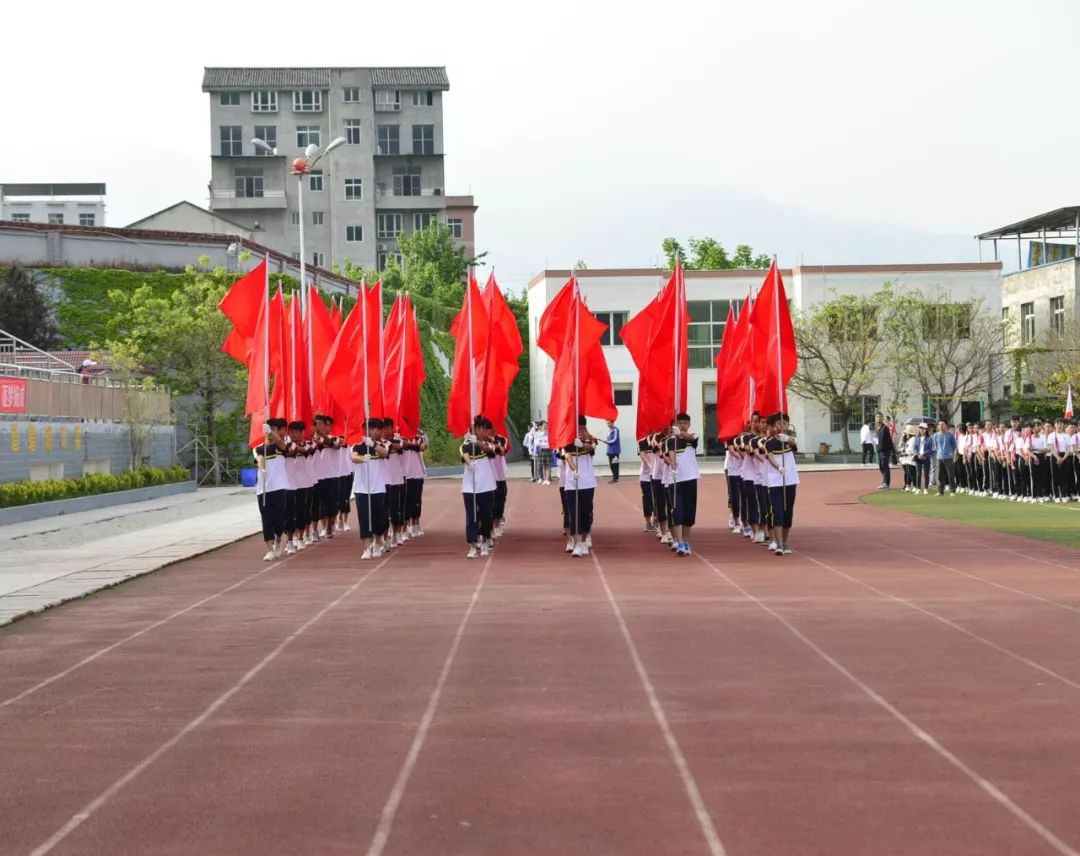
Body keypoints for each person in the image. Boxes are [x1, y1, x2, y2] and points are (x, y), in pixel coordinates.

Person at [351, 419, 389, 560]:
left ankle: (378, 542)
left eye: (377, 429)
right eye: (371, 429)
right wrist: (363, 459)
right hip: (362, 489)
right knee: (364, 519)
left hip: (378, 488)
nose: (374, 432)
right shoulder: (356, 446)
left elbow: (385, 453)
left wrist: (373, 445)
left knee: (379, 519)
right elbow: (353, 457)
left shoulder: (383, 444)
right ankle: (366, 548)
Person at [461, 416, 497, 558]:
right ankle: (472, 544)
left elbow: (490, 451)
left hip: (486, 485)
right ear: (475, 429)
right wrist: (470, 463)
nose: (482, 431)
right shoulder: (466, 443)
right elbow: (464, 454)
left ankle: (484, 539)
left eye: (484, 429)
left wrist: (479, 444)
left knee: (486, 515)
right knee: (471, 516)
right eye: (479, 429)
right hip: (469, 486)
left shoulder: (489, 443)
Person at [763, 412, 799, 555]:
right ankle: (778, 544)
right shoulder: (769, 442)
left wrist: (787, 438)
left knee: (787, 512)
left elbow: (794, 443)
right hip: (775, 481)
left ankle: (784, 542)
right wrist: (778, 467)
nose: (782, 426)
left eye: (785, 423)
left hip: (790, 480)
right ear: (774, 426)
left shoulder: (789, 440)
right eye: (779, 423)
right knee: (777, 511)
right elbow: (771, 457)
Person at [665, 412, 699, 557]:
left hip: (691, 478)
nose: (683, 425)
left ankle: (685, 541)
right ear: (676, 424)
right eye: (680, 423)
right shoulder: (670, 441)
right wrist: (673, 468)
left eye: (685, 423)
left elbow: (690, 437)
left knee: (689, 514)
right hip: (676, 480)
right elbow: (671, 455)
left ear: (689, 424)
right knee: (677, 511)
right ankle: (679, 542)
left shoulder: (694, 437)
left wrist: (682, 434)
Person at [254, 418, 289, 561]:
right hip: (263, 489)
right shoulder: (258, 448)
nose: (270, 433)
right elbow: (260, 458)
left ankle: (279, 541)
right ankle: (269, 549)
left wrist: (272, 433)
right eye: (268, 430)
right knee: (266, 520)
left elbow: (281, 443)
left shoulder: (281, 446)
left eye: (274, 430)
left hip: (279, 487)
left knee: (279, 519)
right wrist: (262, 469)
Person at [563, 416, 598, 557]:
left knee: (586, 512)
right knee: (573, 513)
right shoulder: (567, 439)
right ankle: (577, 543)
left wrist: (582, 444)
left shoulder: (590, 438)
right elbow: (567, 456)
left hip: (588, 482)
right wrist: (574, 470)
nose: (579, 430)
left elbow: (592, 447)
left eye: (582, 428)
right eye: (577, 428)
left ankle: (584, 541)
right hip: (572, 482)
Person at [402, 427, 427, 538]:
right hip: (406, 473)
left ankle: (416, 523)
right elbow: (404, 445)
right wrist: (414, 445)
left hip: (418, 471)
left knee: (417, 500)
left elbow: (423, 447)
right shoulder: (401, 434)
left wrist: (417, 442)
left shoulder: (419, 433)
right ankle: (406, 526)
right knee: (407, 501)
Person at [491, 430, 510, 539]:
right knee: (492, 503)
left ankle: (497, 524)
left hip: (501, 475)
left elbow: (502, 452)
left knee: (501, 501)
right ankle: (492, 526)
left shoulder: (502, 439)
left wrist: (496, 444)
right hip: (491, 475)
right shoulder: (484, 440)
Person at [637, 434, 656, 531]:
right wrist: (649, 465)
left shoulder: (660, 439)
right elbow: (642, 454)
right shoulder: (642, 442)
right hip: (645, 475)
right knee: (647, 499)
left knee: (659, 498)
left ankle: (657, 519)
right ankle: (648, 522)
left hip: (658, 475)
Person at [932, 420, 957, 496]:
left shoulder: (950, 435)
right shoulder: (936, 435)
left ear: (945, 425)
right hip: (939, 457)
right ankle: (940, 491)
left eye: (942, 424)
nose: (941, 426)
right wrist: (940, 452)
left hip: (948, 457)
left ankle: (952, 490)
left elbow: (954, 445)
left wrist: (950, 453)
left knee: (950, 474)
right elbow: (935, 446)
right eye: (939, 425)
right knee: (940, 475)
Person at [875, 412, 894, 489]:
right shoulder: (878, 428)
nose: (878, 418)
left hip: (885, 450)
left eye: (880, 417)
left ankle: (887, 483)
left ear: (882, 418)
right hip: (879, 450)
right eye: (877, 417)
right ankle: (884, 481)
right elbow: (877, 440)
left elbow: (889, 440)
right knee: (881, 466)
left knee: (885, 466)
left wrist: (892, 450)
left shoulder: (885, 428)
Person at [602, 419, 622, 483]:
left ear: (612, 423)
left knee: (615, 464)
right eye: (607, 423)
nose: (608, 424)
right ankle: (614, 477)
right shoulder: (609, 431)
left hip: (615, 451)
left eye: (609, 423)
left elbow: (615, 439)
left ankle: (615, 478)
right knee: (611, 465)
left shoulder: (616, 430)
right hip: (609, 451)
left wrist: (607, 442)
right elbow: (608, 439)